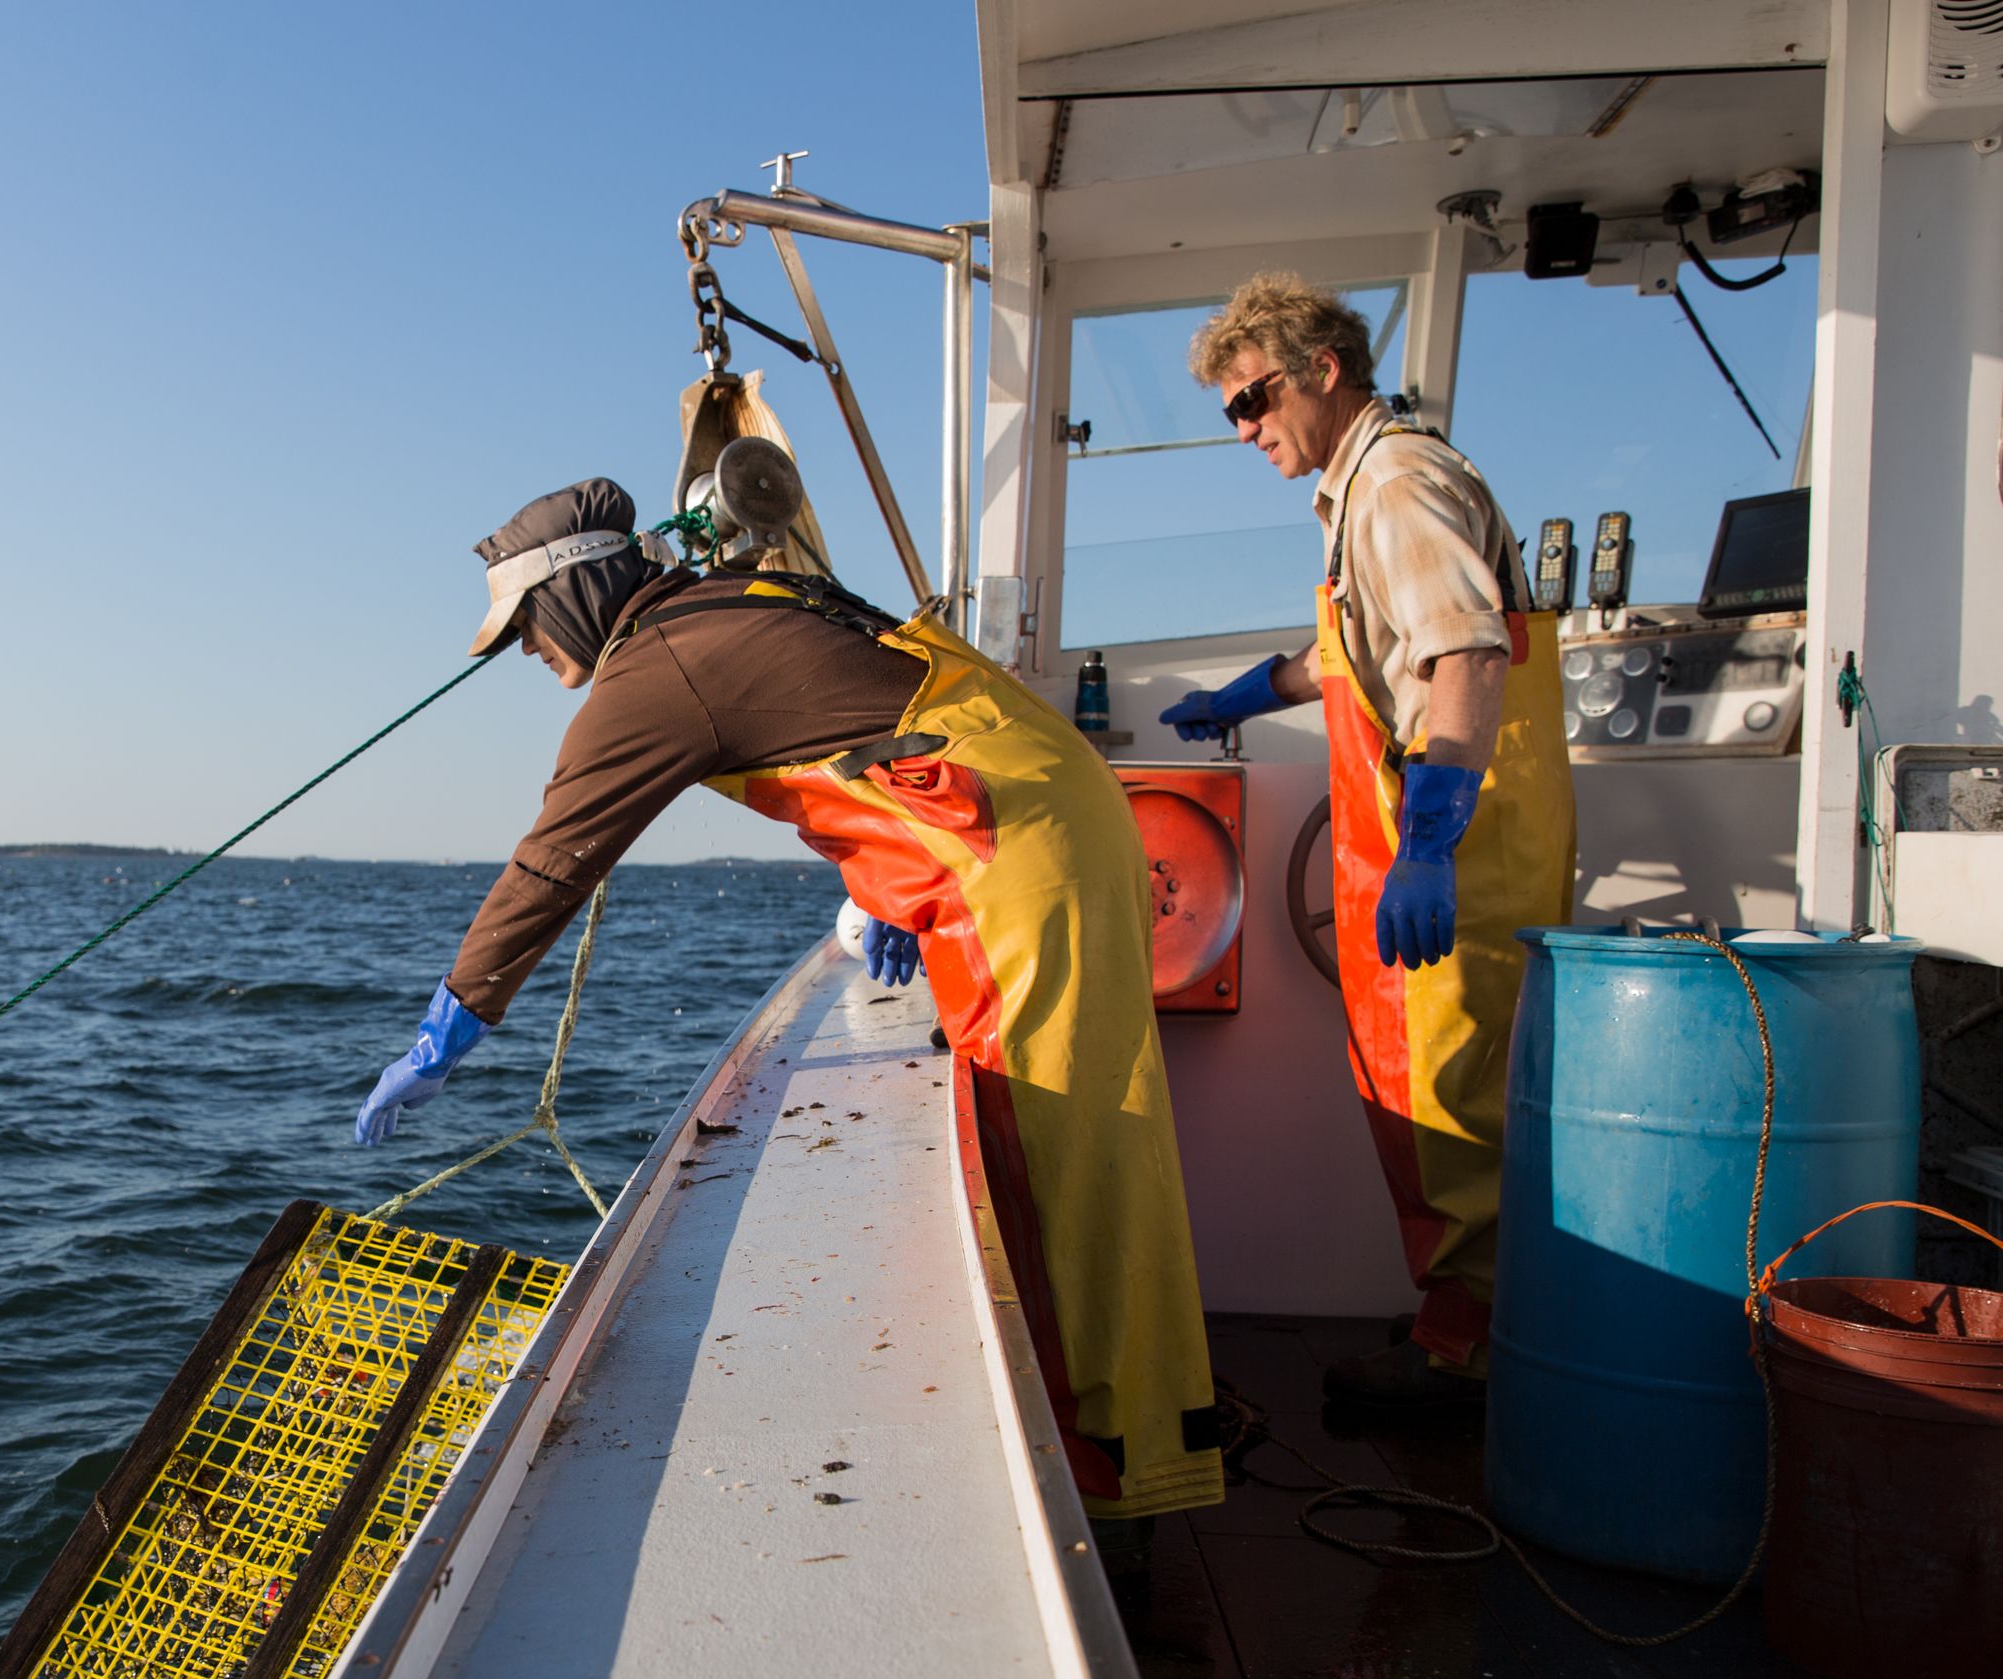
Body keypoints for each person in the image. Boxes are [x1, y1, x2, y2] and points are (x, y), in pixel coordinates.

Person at [356, 478, 1225, 1524]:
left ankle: (1113, 1482)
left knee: (1061, 1160)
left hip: (1010, 857)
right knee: (1072, 1148)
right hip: (1037, 817)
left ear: (575, 590)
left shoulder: (654, 671)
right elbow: (865, 722)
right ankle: (1134, 1447)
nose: (531, 654)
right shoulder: (739, 597)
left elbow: (550, 864)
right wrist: (886, 880)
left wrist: (450, 1025)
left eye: (528, 629)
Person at [1161, 274, 1574, 1411]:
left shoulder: (1395, 482)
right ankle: (1460, 1320)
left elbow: (1466, 654)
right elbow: (1367, 645)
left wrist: (1433, 838)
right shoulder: (1366, 493)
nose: (1244, 429)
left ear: (1323, 371)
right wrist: (1261, 689)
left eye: (1253, 400)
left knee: (1452, 1104)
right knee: (1423, 1096)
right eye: (1230, 411)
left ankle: (1472, 1358)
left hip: (1460, 854)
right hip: (1421, 853)